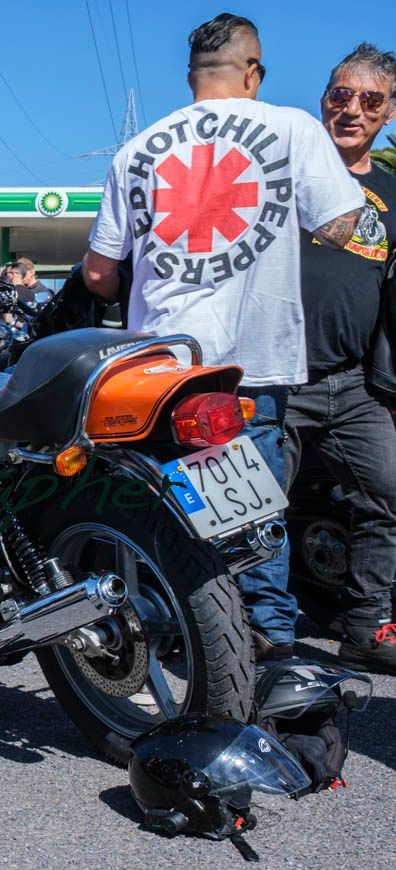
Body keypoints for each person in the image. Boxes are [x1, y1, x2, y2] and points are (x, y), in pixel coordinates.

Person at [82, 13, 365, 661]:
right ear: (253, 72)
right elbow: (344, 226)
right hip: (247, 364)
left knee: (161, 509)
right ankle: (268, 655)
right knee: (249, 519)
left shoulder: (138, 149)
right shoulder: (291, 127)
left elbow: (99, 273)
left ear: (190, 78)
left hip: (155, 368)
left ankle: (170, 632)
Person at [285, 43, 396, 672]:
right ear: (324, 98)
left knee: (387, 498)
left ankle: (364, 628)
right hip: (274, 379)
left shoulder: (391, 195)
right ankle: (260, 634)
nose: (351, 109)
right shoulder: (283, 174)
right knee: (254, 514)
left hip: (355, 385)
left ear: (389, 114)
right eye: (339, 94)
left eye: (370, 100)